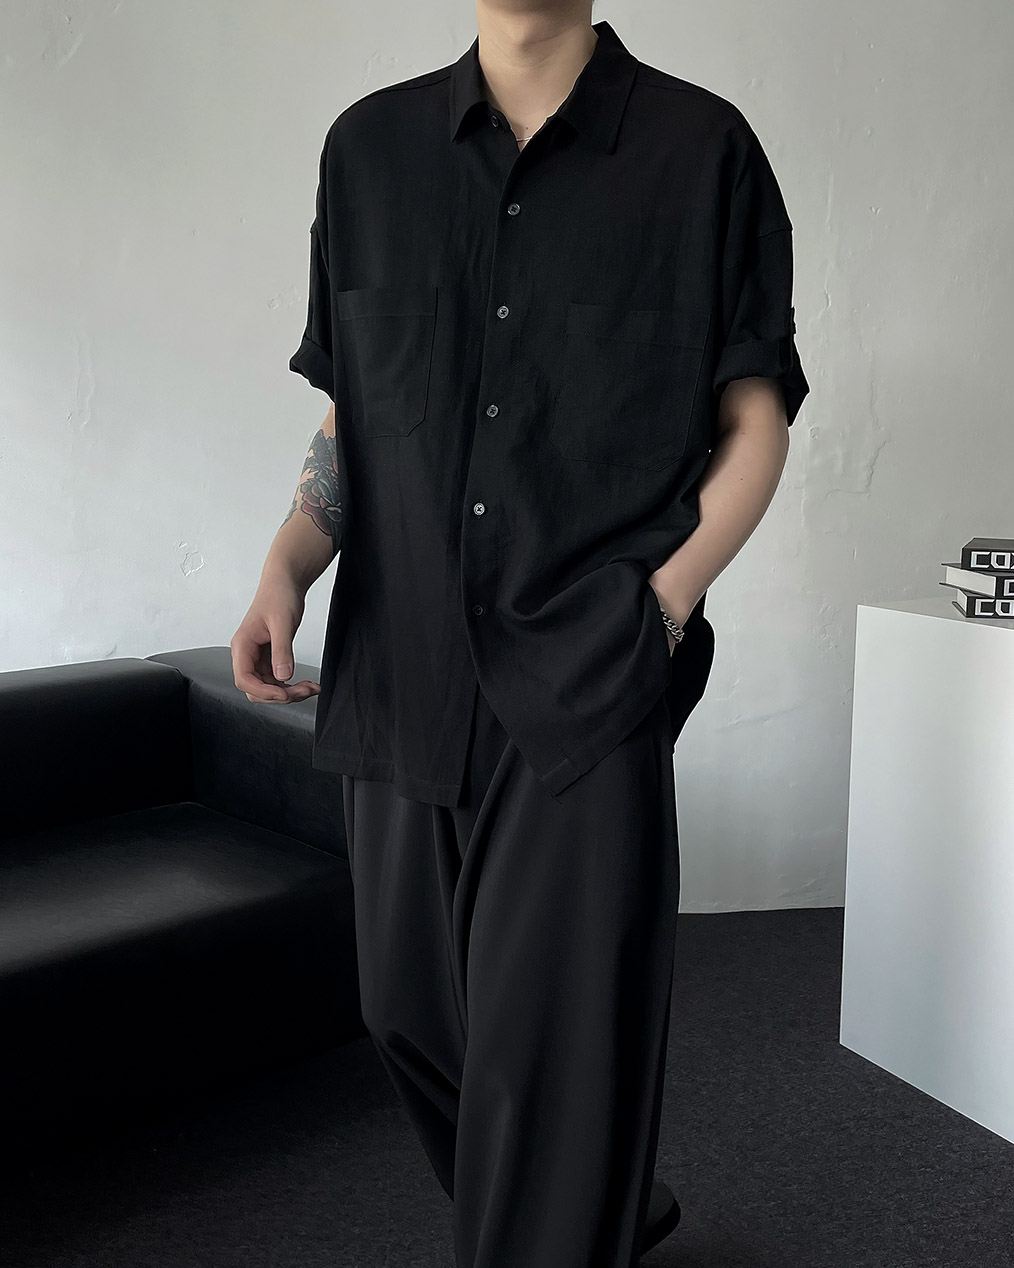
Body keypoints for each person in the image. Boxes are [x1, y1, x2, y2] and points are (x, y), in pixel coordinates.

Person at [231, 2, 809, 1264]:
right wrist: (289, 559)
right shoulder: (367, 149)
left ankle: (563, 1212)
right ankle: (597, 1204)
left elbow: (754, 422)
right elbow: (355, 414)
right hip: (401, 668)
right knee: (407, 1013)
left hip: (586, 670)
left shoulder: (702, 150)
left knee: (550, 1057)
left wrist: (662, 605)